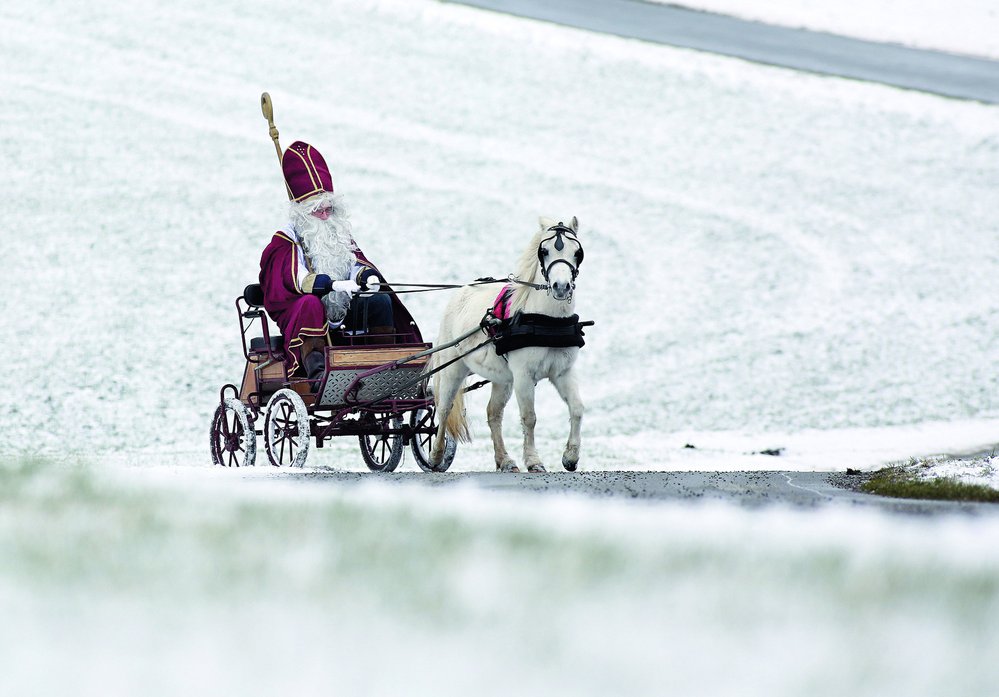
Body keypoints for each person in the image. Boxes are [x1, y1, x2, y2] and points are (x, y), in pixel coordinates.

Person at [258, 140, 419, 384]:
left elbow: (352, 261)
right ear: (301, 211)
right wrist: (323, 283)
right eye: (317, 210)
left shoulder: (336, 232)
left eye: (328, 209)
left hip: (340, 306)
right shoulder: (286, 240)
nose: (324, 216)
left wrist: (364, 276)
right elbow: (292, 277)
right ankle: (317, 372)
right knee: (310, 304)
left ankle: (382, 366)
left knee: (379, 301)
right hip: (305, 310)